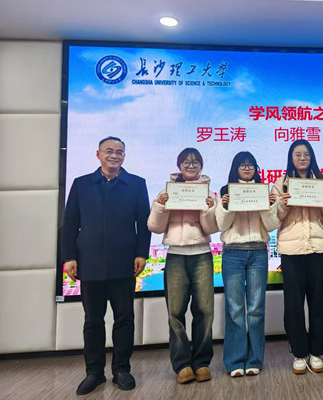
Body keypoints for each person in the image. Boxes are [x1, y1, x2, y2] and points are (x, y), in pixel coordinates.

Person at [62, 136, 151, 395]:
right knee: (93, 321)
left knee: (124, 319)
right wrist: (69, 257)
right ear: (98, 154)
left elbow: (143, 223)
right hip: (89, 263)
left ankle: (122, 369)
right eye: (109, 151)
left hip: (124, 263)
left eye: (119, 152)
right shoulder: (81, 184)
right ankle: (94, 372)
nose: (114, 155)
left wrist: (142, 254)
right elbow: (70, 224)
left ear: (124, 156)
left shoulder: (136, 184)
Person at [147, 148, 218, 384]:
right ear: (179, 165)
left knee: (205, 311)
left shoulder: (209, 193)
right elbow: (155, 227)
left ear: (201, 165)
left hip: (202, 254)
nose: (190, 165)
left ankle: (202, 362)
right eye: (186, 162)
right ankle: (182, 364)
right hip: (175, 256)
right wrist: (160, 206)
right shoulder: (167, 192)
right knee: (175, 312)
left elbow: (212, 228)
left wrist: (208, 209)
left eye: (195, 162)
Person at [271, 139, 323, 374]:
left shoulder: (322, 182)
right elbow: (276, 217)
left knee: (320, 303)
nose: (302, 158)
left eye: (306, 154)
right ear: (291, 158)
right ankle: (299, 353)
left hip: (317, 247)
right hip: (292, 250)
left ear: (311, 157)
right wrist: (284, 204)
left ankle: (317, 351)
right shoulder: (280, 184)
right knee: (293, 305)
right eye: (297, 154)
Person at [215, 152, 280, 377]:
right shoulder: (225, 191)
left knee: (256, 309)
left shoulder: (264, 190)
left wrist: (268, 205)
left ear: (255, 168)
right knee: (234, 309)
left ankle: (254, 359)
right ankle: (235, 362)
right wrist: (226, 206)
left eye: (250, 164)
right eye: (242, 165)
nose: (246, 168)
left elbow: (271, 225)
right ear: (235, 168)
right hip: (233, 252)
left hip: (258, 252)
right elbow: (221, 225)